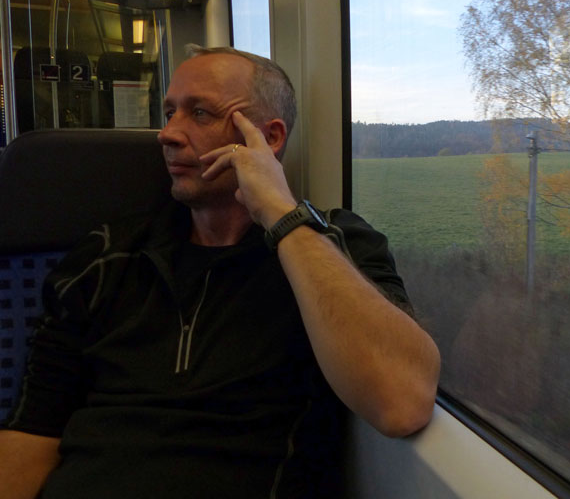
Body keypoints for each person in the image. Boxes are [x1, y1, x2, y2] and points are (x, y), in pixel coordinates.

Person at [0, 46, 441, 498]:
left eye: (200, 113)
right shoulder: (107, 256)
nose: (167, 134)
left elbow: (401, 401)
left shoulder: (335, 248)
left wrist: (281, 216)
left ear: (269, 138)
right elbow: (33, 432)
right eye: (169, 113)